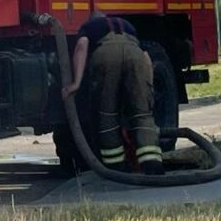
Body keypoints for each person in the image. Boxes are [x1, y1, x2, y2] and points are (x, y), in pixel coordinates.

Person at [62, 12, 164, 175]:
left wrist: (76, 83)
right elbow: (145, 57)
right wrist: (148, 89)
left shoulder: (89, 27)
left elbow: (82, 45)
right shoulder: (127, 26)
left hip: (106, 55)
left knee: (107, 115)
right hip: (135, 55)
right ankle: (152, 164)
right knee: (142, 114)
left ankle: (116, 167)